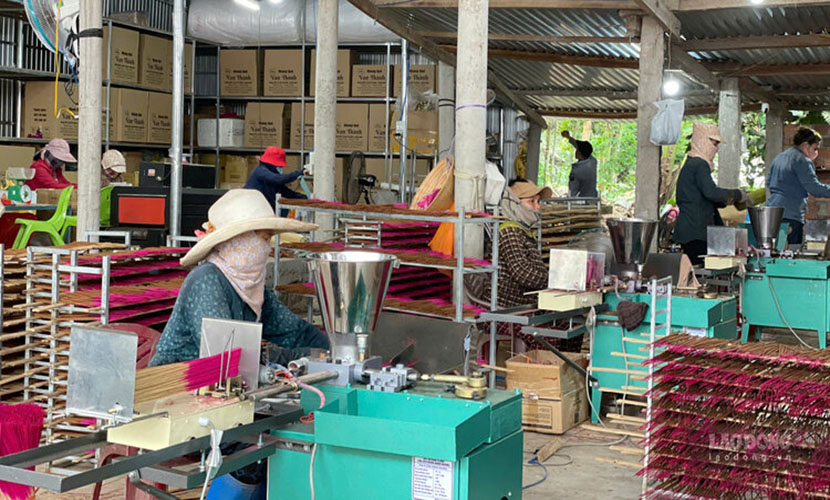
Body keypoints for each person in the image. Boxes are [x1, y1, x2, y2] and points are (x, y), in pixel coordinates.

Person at [149, 189, 330, 368]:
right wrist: (302, 356)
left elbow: (294, 332)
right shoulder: (206, 280)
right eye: (264, 239)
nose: (268, 249)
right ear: (239, 240)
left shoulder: (249, 288)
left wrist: (336, 350)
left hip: (222, 385)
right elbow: (225, 354)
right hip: (177, 383)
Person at [466, 179, 583, 352]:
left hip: (525, 308)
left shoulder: (523, 232)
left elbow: (535, 271)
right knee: (547, 336)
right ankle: (538, 376)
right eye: (531, 201)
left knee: (574, 326)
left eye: (538, 202)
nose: (538, 207)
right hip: (504, 311)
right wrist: (558, 281)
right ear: (513, 204)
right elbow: (523, 273)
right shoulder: (509, 231)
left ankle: (564, 374)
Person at [672, 123, 748, 266]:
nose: (716, 149)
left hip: (691, 230)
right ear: (703, 141)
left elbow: (705, 195)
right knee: (699, 272)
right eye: (714, 144)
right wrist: (736, 194)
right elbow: (711, 193)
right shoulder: (699, 164)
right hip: (695, 231)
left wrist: (728, 200)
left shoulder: (691, 164)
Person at [766, 127, 830, 245]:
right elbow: (815, 189)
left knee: (775, 252)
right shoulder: (802, 160)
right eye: (815, 148)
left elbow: (769, 182)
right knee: (791, 255)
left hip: (772, 215)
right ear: (806, 145)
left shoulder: (779, 158)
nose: (816, 152)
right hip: (791, 215)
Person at [244, 146, 308, 214]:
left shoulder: (271, 173)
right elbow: (279, 179)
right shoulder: (261, 171)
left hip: (263, 208)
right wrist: (299, 173)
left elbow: (285, 191)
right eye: (279, 166)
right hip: (252, 208)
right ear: (273, 164)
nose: (281, 168)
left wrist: (305, 198)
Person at [561, 130, 598, 198]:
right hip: (593, 198)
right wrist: (569, 137)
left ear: (579, 153)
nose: (575, 151)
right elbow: (584, 148)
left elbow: (573, 191)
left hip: (581, 201)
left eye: (577, 149)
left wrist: (568, 199)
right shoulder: (593, 161)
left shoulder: (576, 171)